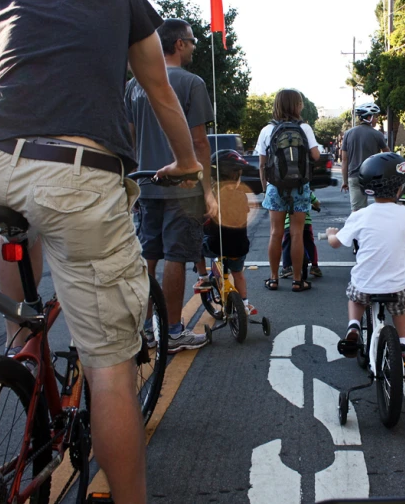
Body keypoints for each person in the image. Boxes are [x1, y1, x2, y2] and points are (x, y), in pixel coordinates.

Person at [0, 0, 203, 502]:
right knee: (109, 368)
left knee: (23, 220)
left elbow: (8, 80)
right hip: (74, 171)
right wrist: (189, 163)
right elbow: (157, 89)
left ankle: (20, 344)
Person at [125, 18, 217, 353]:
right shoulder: (191, 82)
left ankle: (144, 331)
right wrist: (206, 190)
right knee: (176, 256)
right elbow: (199, 143)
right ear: (179, 44)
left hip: (146, 183)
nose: (194, 46)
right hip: (182, 185)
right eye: (191, 41)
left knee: (148, 255)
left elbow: (130, 138)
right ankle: (174, 330)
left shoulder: (134, 85)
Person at [326, 152, 405, 364]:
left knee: (355, 296)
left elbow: (336, 243)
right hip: (397, 285)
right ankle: (404, 344)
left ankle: (353, 325)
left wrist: (331, 234)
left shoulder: (360, 215)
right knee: (401, 307)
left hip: (366, 283)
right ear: (400, 188)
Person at [256, 89, 321, 292]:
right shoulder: (304, 128)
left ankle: (274, 278)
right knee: (297, 234)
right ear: (297, 105)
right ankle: (297, 280)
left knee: (275, 233)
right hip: (300, 187)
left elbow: (262, 164)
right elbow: (316, 156)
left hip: (276, 186)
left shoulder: (267, 130)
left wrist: (266, 188)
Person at [202, 150, 256, 314]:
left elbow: (204, 218)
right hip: (239, 247)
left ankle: (202, 276)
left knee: (196, 242)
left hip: (215, 245)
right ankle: (245, 304)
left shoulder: (211, 196)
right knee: (238, 273)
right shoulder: (242, 195)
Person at [341, 103, 389, 212]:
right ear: (369, 117)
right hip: (374, 177)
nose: (377, 120)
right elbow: (388, 155)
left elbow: (344, 160)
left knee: (357, 212)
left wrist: (345, 181)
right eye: (375, 117)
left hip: (355, 177)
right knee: (383, 207)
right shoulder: (377, 134)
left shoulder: (348, 134)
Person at [280, 190, 322, 279]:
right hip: (305, 223)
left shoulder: (284, 193)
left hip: (289, 223)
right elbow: (316, 203)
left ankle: (286, 267)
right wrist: (316, 206)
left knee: (287, 244)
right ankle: (314, 266)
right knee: (310, 243)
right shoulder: (307, 191)